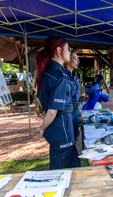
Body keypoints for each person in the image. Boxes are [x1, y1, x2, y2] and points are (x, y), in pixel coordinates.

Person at [32, 35, 81, 170]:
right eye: (68, 49)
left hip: (61, 128)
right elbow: (52, 111)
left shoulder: (50, 71)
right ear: (59, 51)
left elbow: (40, 99)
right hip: (61, 129)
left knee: (74, 167)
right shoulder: (58, 76)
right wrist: (42, 128)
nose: (70, 53)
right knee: (59, 172)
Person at [65, 50, 81, 141]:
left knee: (75, 135)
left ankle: (73, 154)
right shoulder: (63, 75)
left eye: (78, 59)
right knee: (68, 137)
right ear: (68, 59)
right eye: (75, 58)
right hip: (67, 110)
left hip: (76, 110)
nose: (77, 61)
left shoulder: (76, 76)